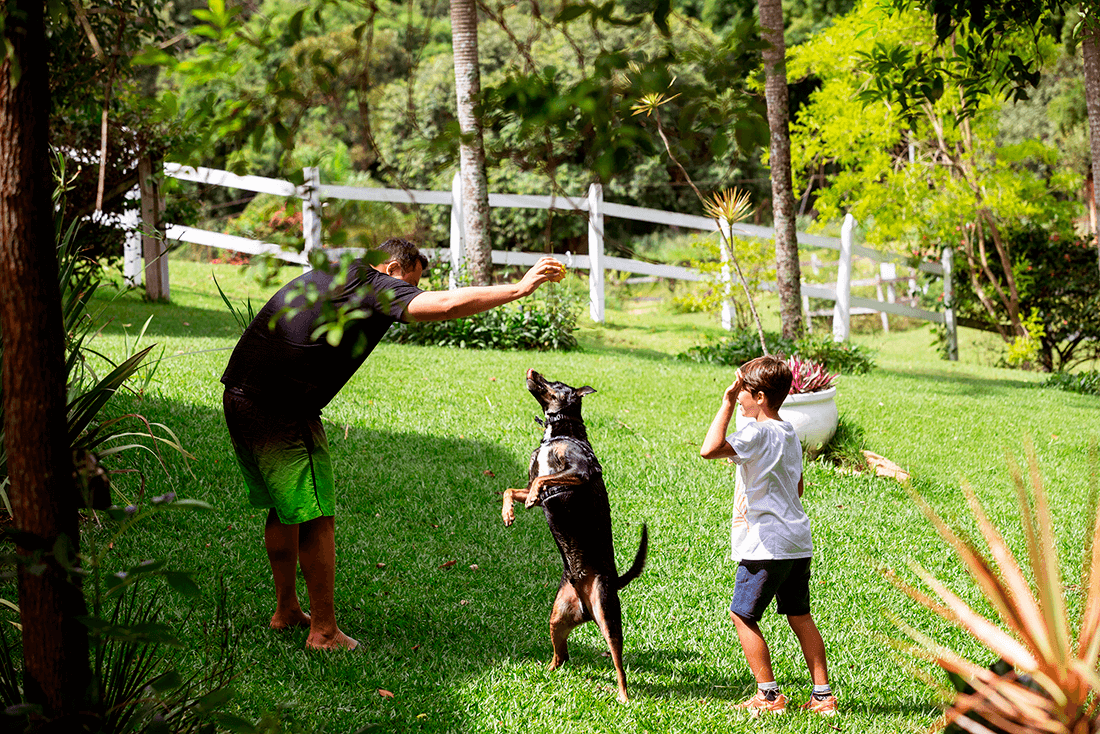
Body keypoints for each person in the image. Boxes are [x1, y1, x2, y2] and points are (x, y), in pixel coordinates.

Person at [221, 237, 565, 650]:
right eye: (409, 283)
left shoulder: (338, 272)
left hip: (240, 394)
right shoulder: (372, 281)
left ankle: (287, 610)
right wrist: (519, 289)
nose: (409, 293)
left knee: (286, 508)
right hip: (282, 407)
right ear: (393, 268)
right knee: (316, 516)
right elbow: (444, 306)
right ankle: (324, 632)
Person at [699, 355, 837, 716]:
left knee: (742, 615)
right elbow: (798, 488)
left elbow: (709, 449)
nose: (737, 395)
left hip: (765, 544)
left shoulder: (755, 433)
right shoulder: (789, 432)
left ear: (759, 397)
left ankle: (769, 695)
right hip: (796, 541)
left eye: (741, 390)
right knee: (800, 615)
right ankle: (823, 696)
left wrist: (726, 403)